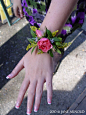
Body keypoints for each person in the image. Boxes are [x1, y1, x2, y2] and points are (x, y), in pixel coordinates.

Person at [6, 0, 86, 114]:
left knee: (61, 33)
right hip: (34, 5)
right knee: (36, 24)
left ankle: (55, 55)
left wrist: (42, 50)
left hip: (62, 7)